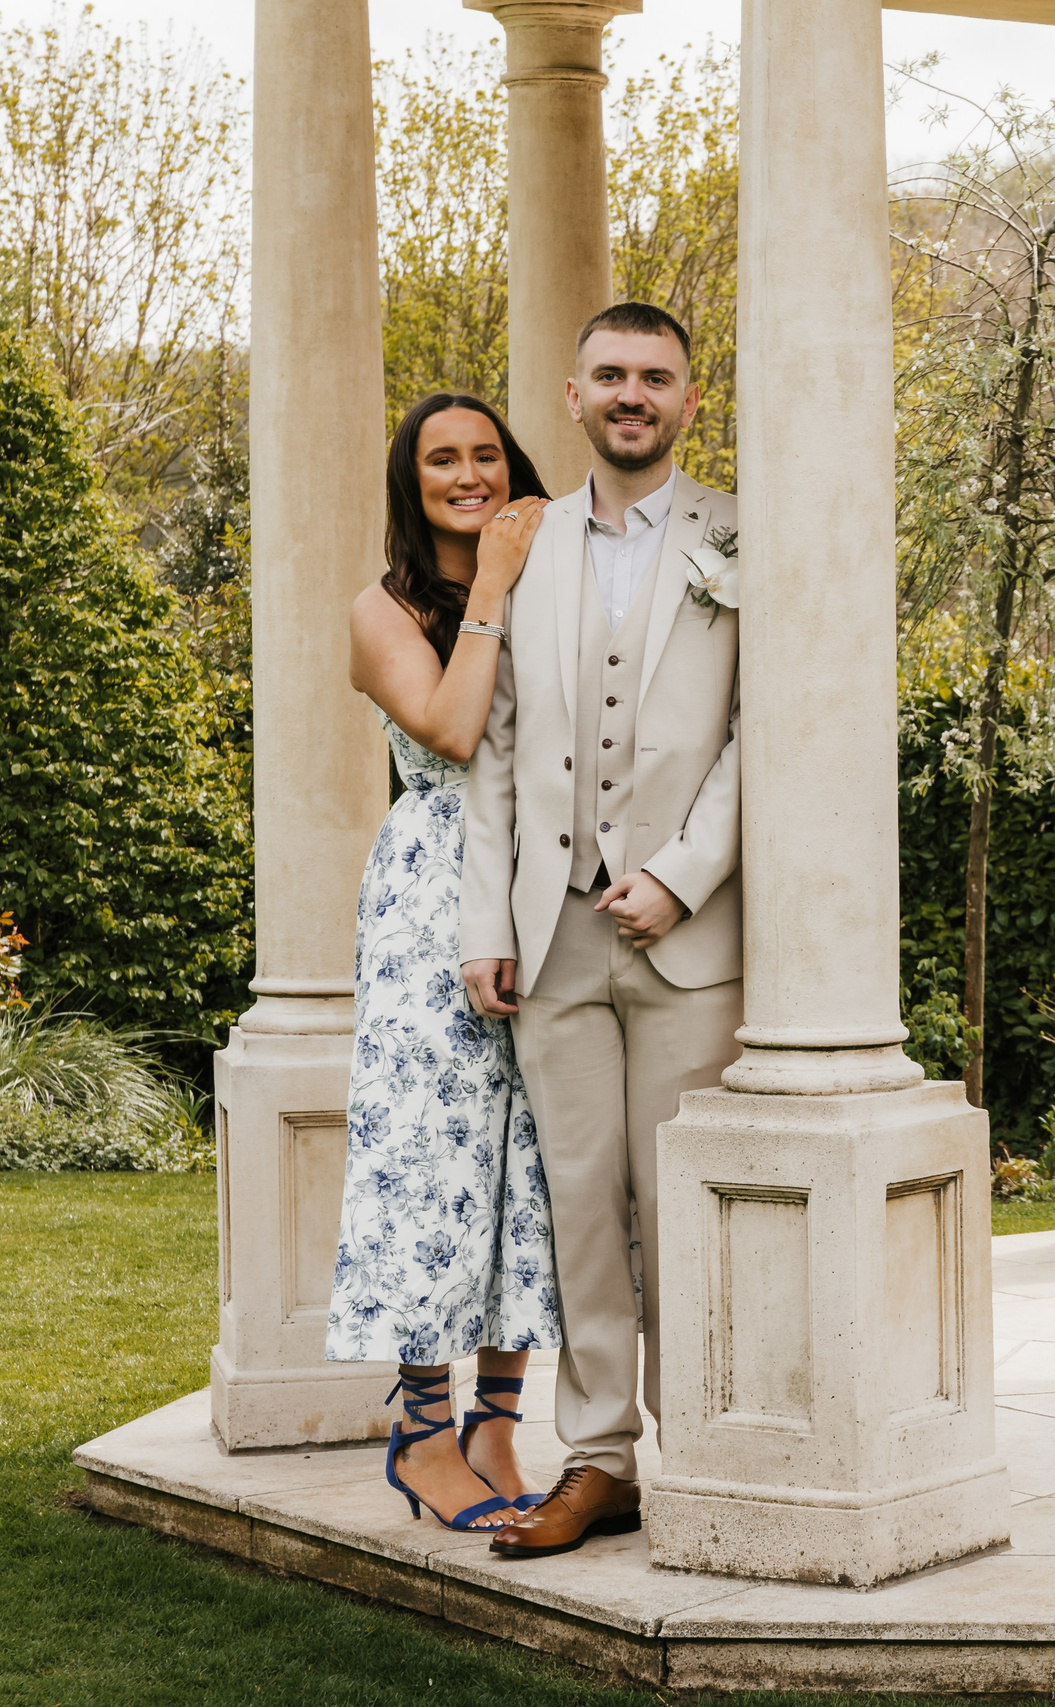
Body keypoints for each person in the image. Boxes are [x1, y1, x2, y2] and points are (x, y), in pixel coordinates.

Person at [458, 302, 745, 1560]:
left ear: (690, 399)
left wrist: (683, 873)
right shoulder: (522, 546)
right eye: (612, 375)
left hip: (687, 936)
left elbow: (766, 731)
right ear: (573, 395)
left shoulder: (742, 535)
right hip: (553, 933)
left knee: (680, 1203)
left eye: (656, 377)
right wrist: (488, 919)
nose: (634, 395)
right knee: (578, 1203)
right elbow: (495, 748)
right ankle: (598, 1462)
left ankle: (709, 1451)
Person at [329, 391, 557, 1532]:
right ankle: (421, 1433)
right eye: (441, 459)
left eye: (485, 454)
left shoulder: (557, 578)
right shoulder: (382, 611)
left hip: (548, 882)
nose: (468, 475)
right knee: (431, 1159)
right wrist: (498, 585)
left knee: (535, 1167)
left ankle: (498, 1425)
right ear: (409, 483)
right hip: (433, 894)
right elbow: (454, 732)